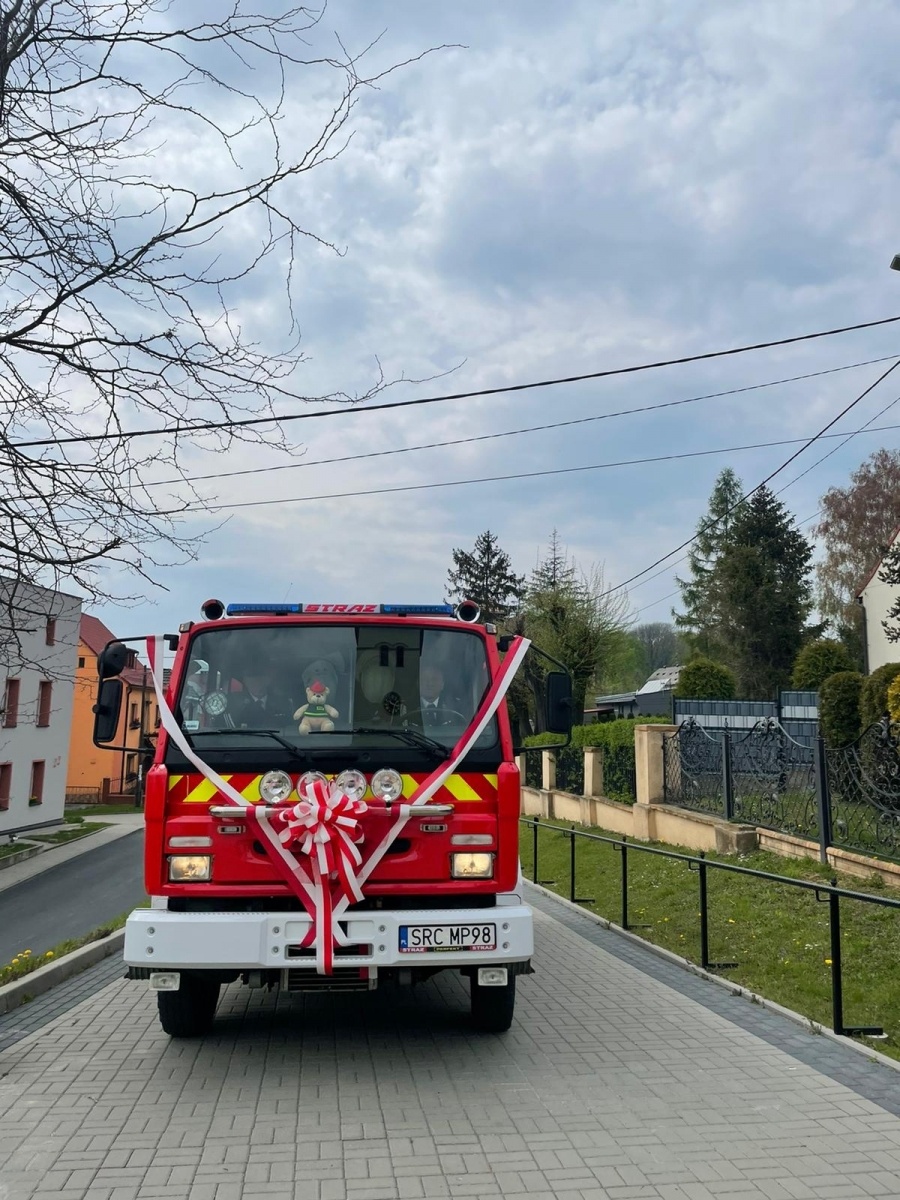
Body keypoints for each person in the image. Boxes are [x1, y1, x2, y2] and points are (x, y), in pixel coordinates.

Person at [232, 660, 294, 729]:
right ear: (244, 681)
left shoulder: (283, 703)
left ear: (268, 680)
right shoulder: (234, 705)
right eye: (251, 678)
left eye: (259, 678)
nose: (256, 682)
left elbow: (291, 729)